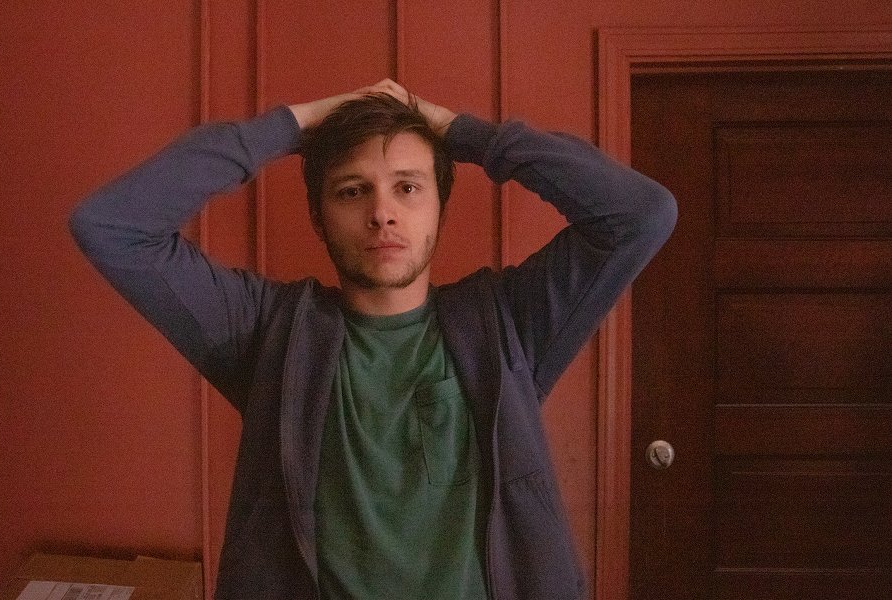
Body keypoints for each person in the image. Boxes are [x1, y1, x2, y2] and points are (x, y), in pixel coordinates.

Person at [70, 79, 676, 600]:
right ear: (319, 217)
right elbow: (112, 225)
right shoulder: (266, 333)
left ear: (440, 207)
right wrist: (295, 123)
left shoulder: (508, 326)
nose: (382, 213)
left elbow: (640, 214)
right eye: (352, 190)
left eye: (407, 187)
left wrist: (462, 132)